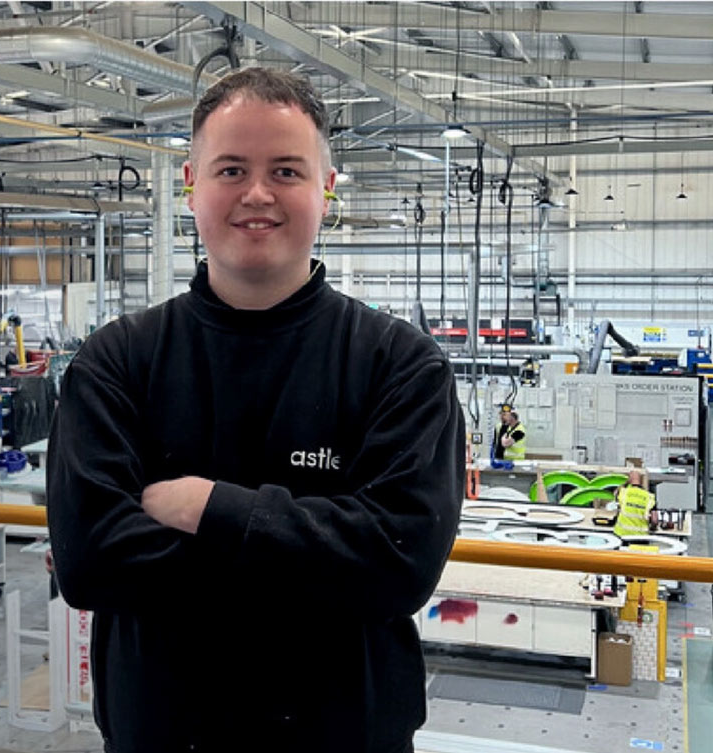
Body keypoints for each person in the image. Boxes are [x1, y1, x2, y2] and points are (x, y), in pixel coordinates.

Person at [46, 67, 464, 753]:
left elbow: (398, 564)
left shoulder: (401, 366)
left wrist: (211, 508)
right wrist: (315, 554)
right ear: (191, 184)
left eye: (288, 171)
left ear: (327, 188)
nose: (259, 194)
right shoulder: (117, 362)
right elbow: (90, 560)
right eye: (232, 168)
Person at [614, 469, 658, 539]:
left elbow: (615, 494)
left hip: (622, 535)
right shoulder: (649, 497)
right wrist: (652, 528)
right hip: (641, 537)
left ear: (630, 480)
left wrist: (626, 482)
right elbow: (654, 520)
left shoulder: (623, 493)